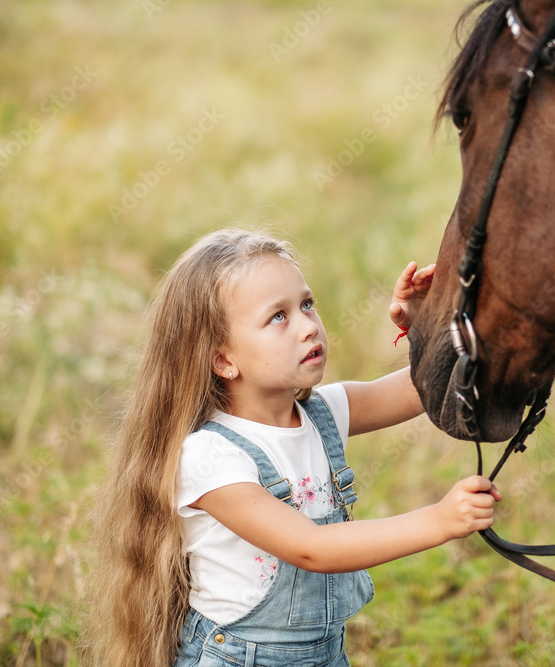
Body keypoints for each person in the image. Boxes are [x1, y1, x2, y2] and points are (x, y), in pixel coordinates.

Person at [89, 228, 500, 667]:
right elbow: (311, 547)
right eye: (278, 317)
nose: (308, 327)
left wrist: (427, 326)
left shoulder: (322, 413)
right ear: (223, 360)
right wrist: (438, 521)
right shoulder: (212, 457)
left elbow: (422, 388)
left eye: (306, 304)